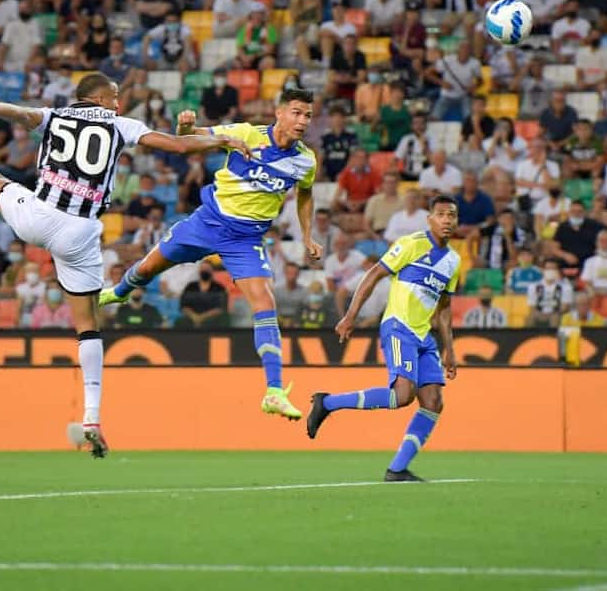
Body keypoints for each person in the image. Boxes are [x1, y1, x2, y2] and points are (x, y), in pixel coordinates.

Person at [0, 73, 247, 457]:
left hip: (38, 217)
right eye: (115, 96)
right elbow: (177, 145)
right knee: (88, 325)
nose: (118, 103)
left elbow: (20, 115)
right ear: (99, 98)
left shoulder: (55, 116)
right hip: (81, 233)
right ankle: (91, 417)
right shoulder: (121, 125)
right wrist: (221, 139)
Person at [101, 88, 322, 422]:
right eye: (296, 112)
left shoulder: (306, 160)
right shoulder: (245, 133)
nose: (302, 120)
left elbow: (305, 195)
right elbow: (188, 140)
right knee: (148, 268)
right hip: (207, 222)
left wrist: (307, 236)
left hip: (246, 239)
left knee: (264, 303)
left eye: (307, 115)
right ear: (278, 112)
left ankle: (274, 392)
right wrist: (186, 125)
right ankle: (118, 293)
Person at [307, 195, 461, 482]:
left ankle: (398, 469)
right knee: (402, 396)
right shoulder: (411, 244)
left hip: (425, 336)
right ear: (429, 219)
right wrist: (351, 315)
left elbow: (443, 307)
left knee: (433, 401)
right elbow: (374, 275)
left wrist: (449, 349)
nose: (447, 220)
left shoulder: (453, 260)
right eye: (441, 214)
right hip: (398, 327)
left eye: (452, 215)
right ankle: (327, 403)